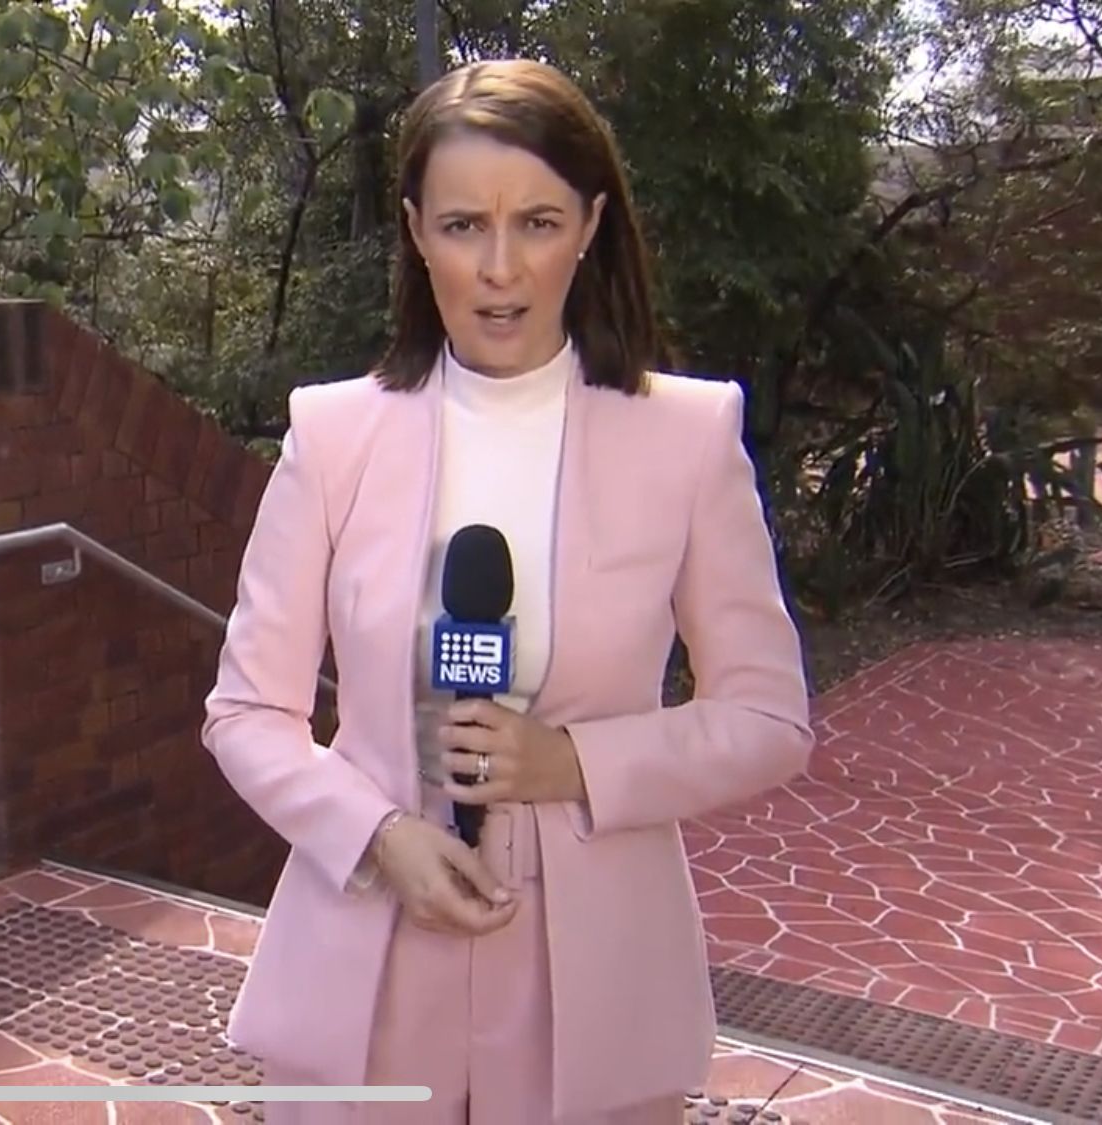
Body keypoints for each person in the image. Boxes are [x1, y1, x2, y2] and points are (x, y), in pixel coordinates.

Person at [200, 58, 813, 1124]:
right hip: (369, 959)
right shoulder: (333, 435)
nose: (498, 268)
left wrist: (571, 762)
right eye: (461, 226)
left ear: (590, 226)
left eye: (536, 222)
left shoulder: (687, 436)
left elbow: (767, 719)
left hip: (593, 985)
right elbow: (247, 713)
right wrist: (375, 833)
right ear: (414, 231)